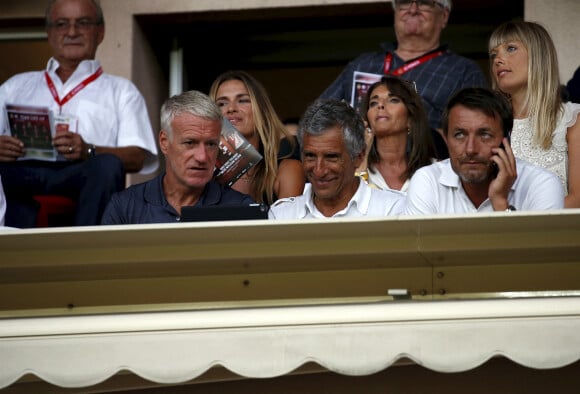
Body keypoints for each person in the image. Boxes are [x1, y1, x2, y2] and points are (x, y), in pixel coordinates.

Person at [0, 0, 158, 227]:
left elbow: (138, 157)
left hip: (81, 174)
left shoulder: (121, 90)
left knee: (107, 166)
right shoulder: (15, 86)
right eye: (62, 24)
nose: (72, 32)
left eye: (82, 23)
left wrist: (89, 150)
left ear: (100, 32)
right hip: (23, 173)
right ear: (49, 32)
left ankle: (90, 248)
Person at [318, 0, 488, 160]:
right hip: (356, 166)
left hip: (424, 167)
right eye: (405, 2)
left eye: (424, 3)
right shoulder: (362, 64)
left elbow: (480, 133)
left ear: (443, 16)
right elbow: (318, 117)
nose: (413, 10)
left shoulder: (462, 70)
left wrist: (426, 133)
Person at [101, 90, 255, 225]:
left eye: (211, 144)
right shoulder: (124, 206)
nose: (202, 157)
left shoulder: (242, 209)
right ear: (164, 142)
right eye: (190, 143)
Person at [404, 87, 564, 215]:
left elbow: (538, 255)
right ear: (446, 138)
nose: (471, 149)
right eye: (459, 135)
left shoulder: (541, 184)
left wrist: (500, 202)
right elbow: (419, 254)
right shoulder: (428, 180)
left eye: (484, 135)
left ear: (506, 139)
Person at [489, 21, 580, 208]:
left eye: (511, 48)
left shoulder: (572, 120)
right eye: (493, 55)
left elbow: (578, 200)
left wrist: (522, 223)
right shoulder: (489, 124)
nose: (498, 60)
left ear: (539, 56)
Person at [269, 99, 404, 219]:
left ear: (359, 156)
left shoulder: (392, 210)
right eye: (310, 156)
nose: (318, 171)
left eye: (331, 157)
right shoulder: (282, 215)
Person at [209, 70, 305, 205]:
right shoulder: (202, 173)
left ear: (262, 110)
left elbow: (287, 225)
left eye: (243, 100)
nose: (231, 108)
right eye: (222, 103)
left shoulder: (286, 170)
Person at [357, 76, 437, 193]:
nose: (380, 105)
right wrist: (361, 162)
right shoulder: (351, 169)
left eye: (393, 100)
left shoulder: (436, 171)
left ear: (410, 119)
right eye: (373, 103)